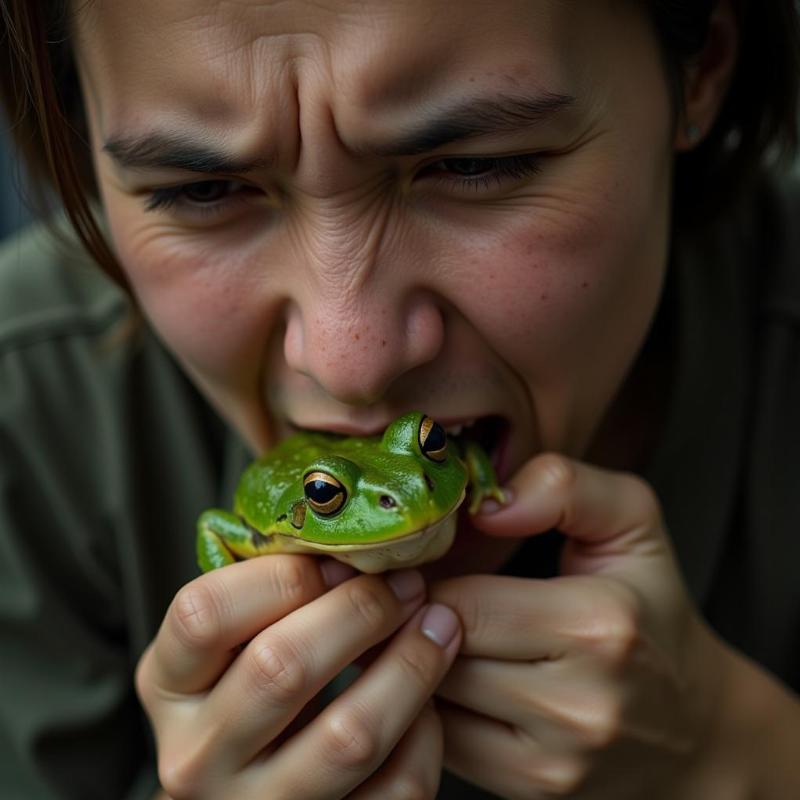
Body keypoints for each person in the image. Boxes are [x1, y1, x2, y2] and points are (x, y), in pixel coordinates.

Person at [1, 0, 799, 797]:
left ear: (700, 71)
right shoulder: (25, 400)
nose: (349, 362)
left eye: (476, 163)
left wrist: (739, 751)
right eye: (203, 189)